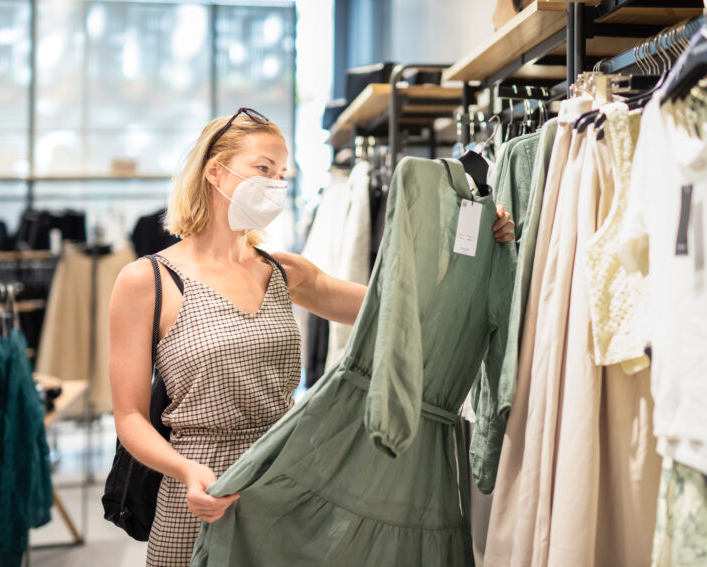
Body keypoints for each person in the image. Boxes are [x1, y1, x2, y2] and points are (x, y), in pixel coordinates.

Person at [108, 107, 516, 566]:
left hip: (282, 477)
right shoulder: (148, 280)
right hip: (198, 484)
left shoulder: (285, 271)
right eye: (263, 169)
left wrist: (477, 235)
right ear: (214, 171)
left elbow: (402, 306)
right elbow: (129, 417)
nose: (275, 183)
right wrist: (184, 471)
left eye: (282, 173)